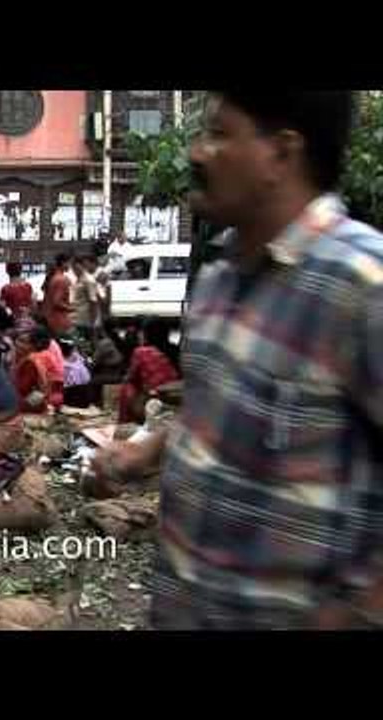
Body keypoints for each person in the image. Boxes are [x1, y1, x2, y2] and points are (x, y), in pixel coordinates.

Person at [89, 91, 383, 630]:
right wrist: (143, 453)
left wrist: (358, 612)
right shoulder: (220, 279)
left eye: (221, 134)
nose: (197, 153)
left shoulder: (362, 286)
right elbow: (216, 416)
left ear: (281, 153)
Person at [115, 317, 179, 424]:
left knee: (127, 387)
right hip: (177, 400)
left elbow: (131, 377)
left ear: (146, 333)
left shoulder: (142, 352)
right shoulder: (176, 350)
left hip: (154, 402)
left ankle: (125, 424)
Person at [13, 326, 65, 414]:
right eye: (17, 340)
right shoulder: (36, 357)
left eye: (23, 341)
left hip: (32, 409)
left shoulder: (31, 361)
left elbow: (39, 392)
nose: (17, 344)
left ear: (35, 345)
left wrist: (22, 406)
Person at [41, 253, 73, 337]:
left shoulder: (53, 277)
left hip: (49, 319)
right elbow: (57, 302)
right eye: (69, 263)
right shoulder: (62, 280)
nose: (70, 265)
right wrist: (72, 308)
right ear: (63, 263)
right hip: (59, 320)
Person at [71, 256, 100, 341]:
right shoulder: (78, 279)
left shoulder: (88, 280)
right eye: (73, 268)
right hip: (76, 317)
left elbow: (93, 301)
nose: (74, 271)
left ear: (82, 266)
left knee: (86, 344)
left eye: (76, 268)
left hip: (85, 320)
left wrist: (93, 322)